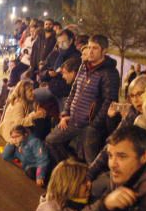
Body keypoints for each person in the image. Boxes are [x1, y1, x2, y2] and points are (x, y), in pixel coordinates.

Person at [47, 35, 120, 163]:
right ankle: (72, 169)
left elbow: (109, 102)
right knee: (51, 141)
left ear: (104, 51)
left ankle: (85, 177)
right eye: (89, 47)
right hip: (73, 120)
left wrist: (93, 125)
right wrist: (65, 113)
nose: (91, 51)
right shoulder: (83, 66)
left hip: (90, 126)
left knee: (90, 161)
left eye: (95, 48)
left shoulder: (109, 73)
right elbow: (74, 91)